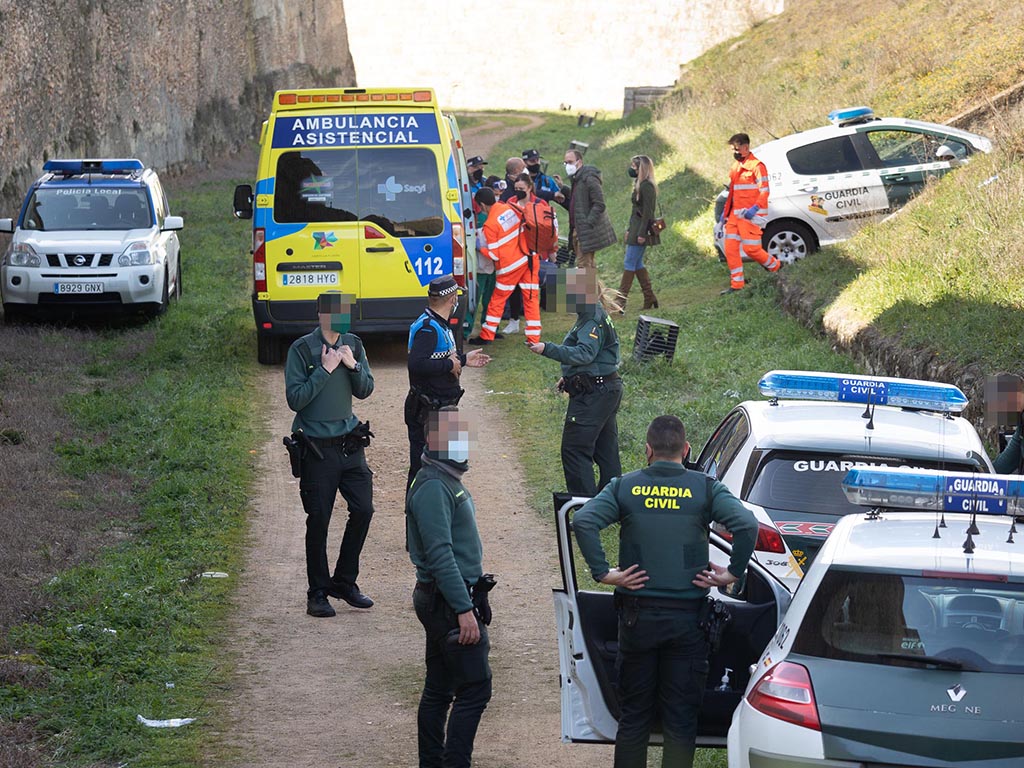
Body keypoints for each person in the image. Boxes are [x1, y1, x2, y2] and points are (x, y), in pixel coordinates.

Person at [572, 414, 758, 768]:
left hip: (637, 620)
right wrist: (732, 573)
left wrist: (603, 573)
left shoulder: (625, 486)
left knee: (634, 719)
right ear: (686, 450)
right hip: (688, 624)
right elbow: (746, 524)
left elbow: (583, 520)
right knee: (680, 722)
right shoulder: (704, 488)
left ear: (647, 450)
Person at [407, 407, 493, 768]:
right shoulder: (432, 487)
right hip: (446, 603)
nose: (460, 444)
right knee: (474, 689)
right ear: (430, 441)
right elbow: (441, 555)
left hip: (447, 598)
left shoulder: (445, 480)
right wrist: (463, 610)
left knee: (440, 688)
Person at [285, 291, 376, 617]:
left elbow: (365, 389)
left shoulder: (354, 344)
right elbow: (296, 399)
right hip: (317, 450)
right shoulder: (302, 349)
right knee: (319, 520)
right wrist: (323, 370)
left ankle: (344, 582)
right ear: (322, 314)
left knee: (364, 510)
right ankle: (318, 592)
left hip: (349, 445)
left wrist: (351, 366)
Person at [526, 267, 622, 496]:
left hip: (594, 394)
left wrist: (546, 349)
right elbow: (596, 357)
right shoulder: (591, 313)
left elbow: (584, 353)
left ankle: (585, 510)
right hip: (604, 389)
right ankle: (611, 504)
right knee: (605, 452)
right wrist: (569, 376)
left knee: (575, 450)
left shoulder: (591, 318)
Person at [406, 274, 491, 489]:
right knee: (424, 470)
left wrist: (464, 360)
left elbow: (442, 359)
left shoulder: (439, 324)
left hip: (444, 407)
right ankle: (417, 514)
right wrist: (449, 366)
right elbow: (416, 364)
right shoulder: (428, 328)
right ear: (452, 299)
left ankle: (446, 510)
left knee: (454, 465)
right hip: (429, 410)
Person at [468, 181, 543, 347]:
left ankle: (487, 336)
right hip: (529, 258)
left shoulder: (490, 225)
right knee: (531, 298)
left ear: (481, 205)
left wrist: (480, 248)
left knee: (497, 300)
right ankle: (534, 339)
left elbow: (494, 254)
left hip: (510, 267)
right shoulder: (510, 207)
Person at [717, 132, 781, 295]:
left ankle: (775, 267)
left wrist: (754, 209)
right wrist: (724, 216)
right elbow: (732, 193)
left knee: (751, 249)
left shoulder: (757, 166)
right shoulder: (736, 167)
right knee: (730, 248)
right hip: (735, 216)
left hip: (751, 215)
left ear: (746, 147)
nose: (735, 152)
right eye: (733, 149)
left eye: (737, 149)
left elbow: (764, 191)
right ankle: (737, 285)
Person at [555, 148, 616, 270]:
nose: (567, 165)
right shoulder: (577, 178)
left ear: (580, 162)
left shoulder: (589, 178)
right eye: (565, 163)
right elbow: (579, 197)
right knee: (588, 266)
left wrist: (587, 224)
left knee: (583, 266)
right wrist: (563, 188)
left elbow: (599, 204)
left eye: (570, 162)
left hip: (584, 230)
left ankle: (587, 289)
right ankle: (596, 289)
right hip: (578, 229)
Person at [620, 154, 659, 311]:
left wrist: (642, 233)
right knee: (636, 263)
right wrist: (630, 229)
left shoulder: (646, 186)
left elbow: (648, 212)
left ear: (641, 168)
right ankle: (649, 297)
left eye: (634, 167)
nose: (632, 169)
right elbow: (635, 210)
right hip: (635, 228)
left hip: (641, 230)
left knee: (629, 262)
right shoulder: (639, 184)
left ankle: (620, 301)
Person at [466, 188, 501, 340]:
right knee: (474, 300)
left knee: (491, 301)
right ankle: (466, 330)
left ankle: (491, 328)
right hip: (480, 267)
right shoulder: (477, 219)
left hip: (493, 266)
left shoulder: (491, 217)